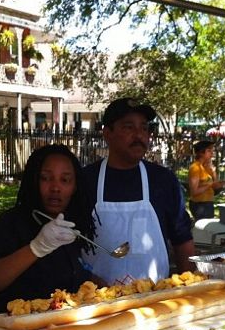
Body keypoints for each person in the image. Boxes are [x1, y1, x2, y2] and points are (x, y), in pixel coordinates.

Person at [0, 144, 97, 318]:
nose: (55, 188)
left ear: (75, 186)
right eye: (46, 178)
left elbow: (73, 271)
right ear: (34, 180)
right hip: (7, 329)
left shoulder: (72, 225)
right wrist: (36, 248)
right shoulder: (9, 224)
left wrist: (102, 285)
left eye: (65, 180)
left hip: (59, 327)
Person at [82, 97, 196, 284]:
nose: (139, 135)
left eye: (144, 128)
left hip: (155, 300)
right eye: (129, 127)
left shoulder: (163, 181)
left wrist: (192, 289)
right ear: (107, 133)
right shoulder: (85, 180)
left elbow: (182, 240)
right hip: (94, 302)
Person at [187, 139, 225, 220]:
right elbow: (194, 192)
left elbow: (215, 186)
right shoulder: (195, 168)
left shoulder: (207, 167)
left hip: (208, 202)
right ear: (201, 153)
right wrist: (209, 185)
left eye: (212, 151)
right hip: (200, 205)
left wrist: (214, 173)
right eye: (209, 151)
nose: (212, 153)